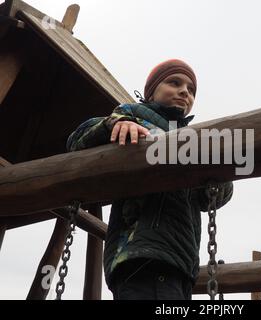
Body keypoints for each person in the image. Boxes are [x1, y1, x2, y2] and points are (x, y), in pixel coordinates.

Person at [66, 59, 233, 300]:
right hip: (141, 253)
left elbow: (211, 200)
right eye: (174, 82)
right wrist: (116, 124)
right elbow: (76, 140)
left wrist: (220, 172)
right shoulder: (133, 115)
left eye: (191, 89)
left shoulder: (193, 140)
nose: (184, 91)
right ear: (151, 90)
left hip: (181, 262)